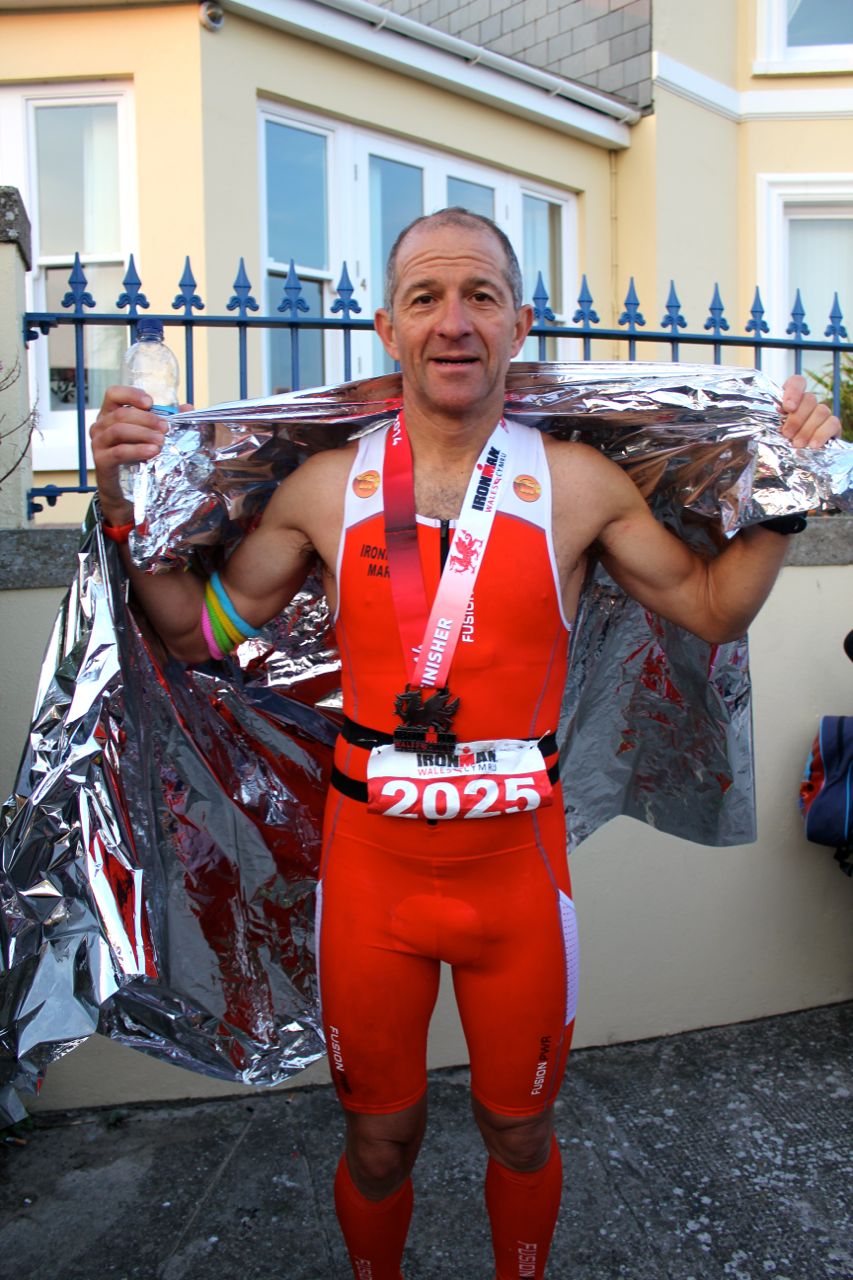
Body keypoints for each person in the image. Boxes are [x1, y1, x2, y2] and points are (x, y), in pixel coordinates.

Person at [91, 208, 839, 1280]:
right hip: (371, 882)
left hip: (517, 879)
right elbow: (190, 631)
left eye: (480, 295)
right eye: (427, 298)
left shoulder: (577, 482)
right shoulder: (324, 486)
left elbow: (713, 609)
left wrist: (788, 490)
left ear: (519, 323)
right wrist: (121, 501)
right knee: (378, 1141)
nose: (454, 322)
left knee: (521, 1131)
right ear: (388, 326)